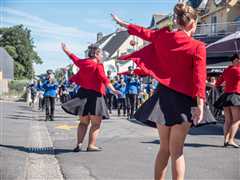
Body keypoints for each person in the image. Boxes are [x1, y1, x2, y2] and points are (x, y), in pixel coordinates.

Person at [112, 3, 212, 179]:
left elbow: (145, 33)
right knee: (177, 151)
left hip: (163, 98)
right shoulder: (197, 46)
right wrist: (200, 105)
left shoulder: (163, 37)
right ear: (192, 23)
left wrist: (124, 24)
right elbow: (199, 79)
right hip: (184, 100)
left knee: (164, 148)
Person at [61, 43, 119, 152]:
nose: (102, 56)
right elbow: (104, 78)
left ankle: (79, 144)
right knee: (96, 124)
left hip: (83, 94)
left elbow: (74, 59)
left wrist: (66, 51)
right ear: (97, 54)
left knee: (83, 123)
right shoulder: (98, 65)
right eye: (101, 54)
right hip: (95, 96)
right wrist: (113, 89)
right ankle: (91, 145)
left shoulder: (83, 63)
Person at [214, 54, 240, 148]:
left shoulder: (226, 70)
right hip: (235, 96)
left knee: (228, 120)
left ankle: (225, 139)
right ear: (236, 60)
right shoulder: (238, 70)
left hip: (226, 96)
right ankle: (231, 140)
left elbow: (217, 83)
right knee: (237, 120)